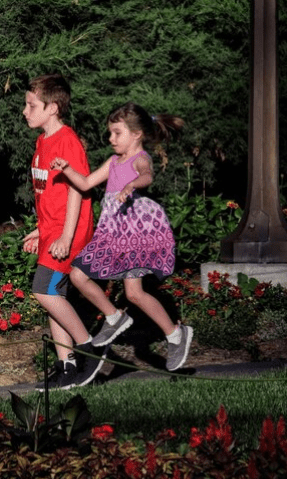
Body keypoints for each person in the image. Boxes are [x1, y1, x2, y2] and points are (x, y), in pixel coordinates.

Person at [49, 101, 193, 371]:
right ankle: (115, 317)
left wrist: (131, 184)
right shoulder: (113, 162)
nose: (110, 138)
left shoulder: (140, 158)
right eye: (110, 133)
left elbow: (146, 175)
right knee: (78, 275)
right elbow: (85, 183)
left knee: (134, 293)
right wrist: (66, 168)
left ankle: (176, 333)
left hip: (135, 233)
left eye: (117, 133)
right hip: (112, 231)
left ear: (136, 134)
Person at [21, 74, 108, 390]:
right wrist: (38, 230)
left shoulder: (67, 141)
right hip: (52, 231)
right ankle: (67, 366)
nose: (25, 111)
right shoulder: (42, 142)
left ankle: (90, 348)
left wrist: (66, 238)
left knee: (44, 289)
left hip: (69, 233)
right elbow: (50, 193)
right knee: (52, 296)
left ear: (53, 107)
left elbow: (77, 192)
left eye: (32, 105)